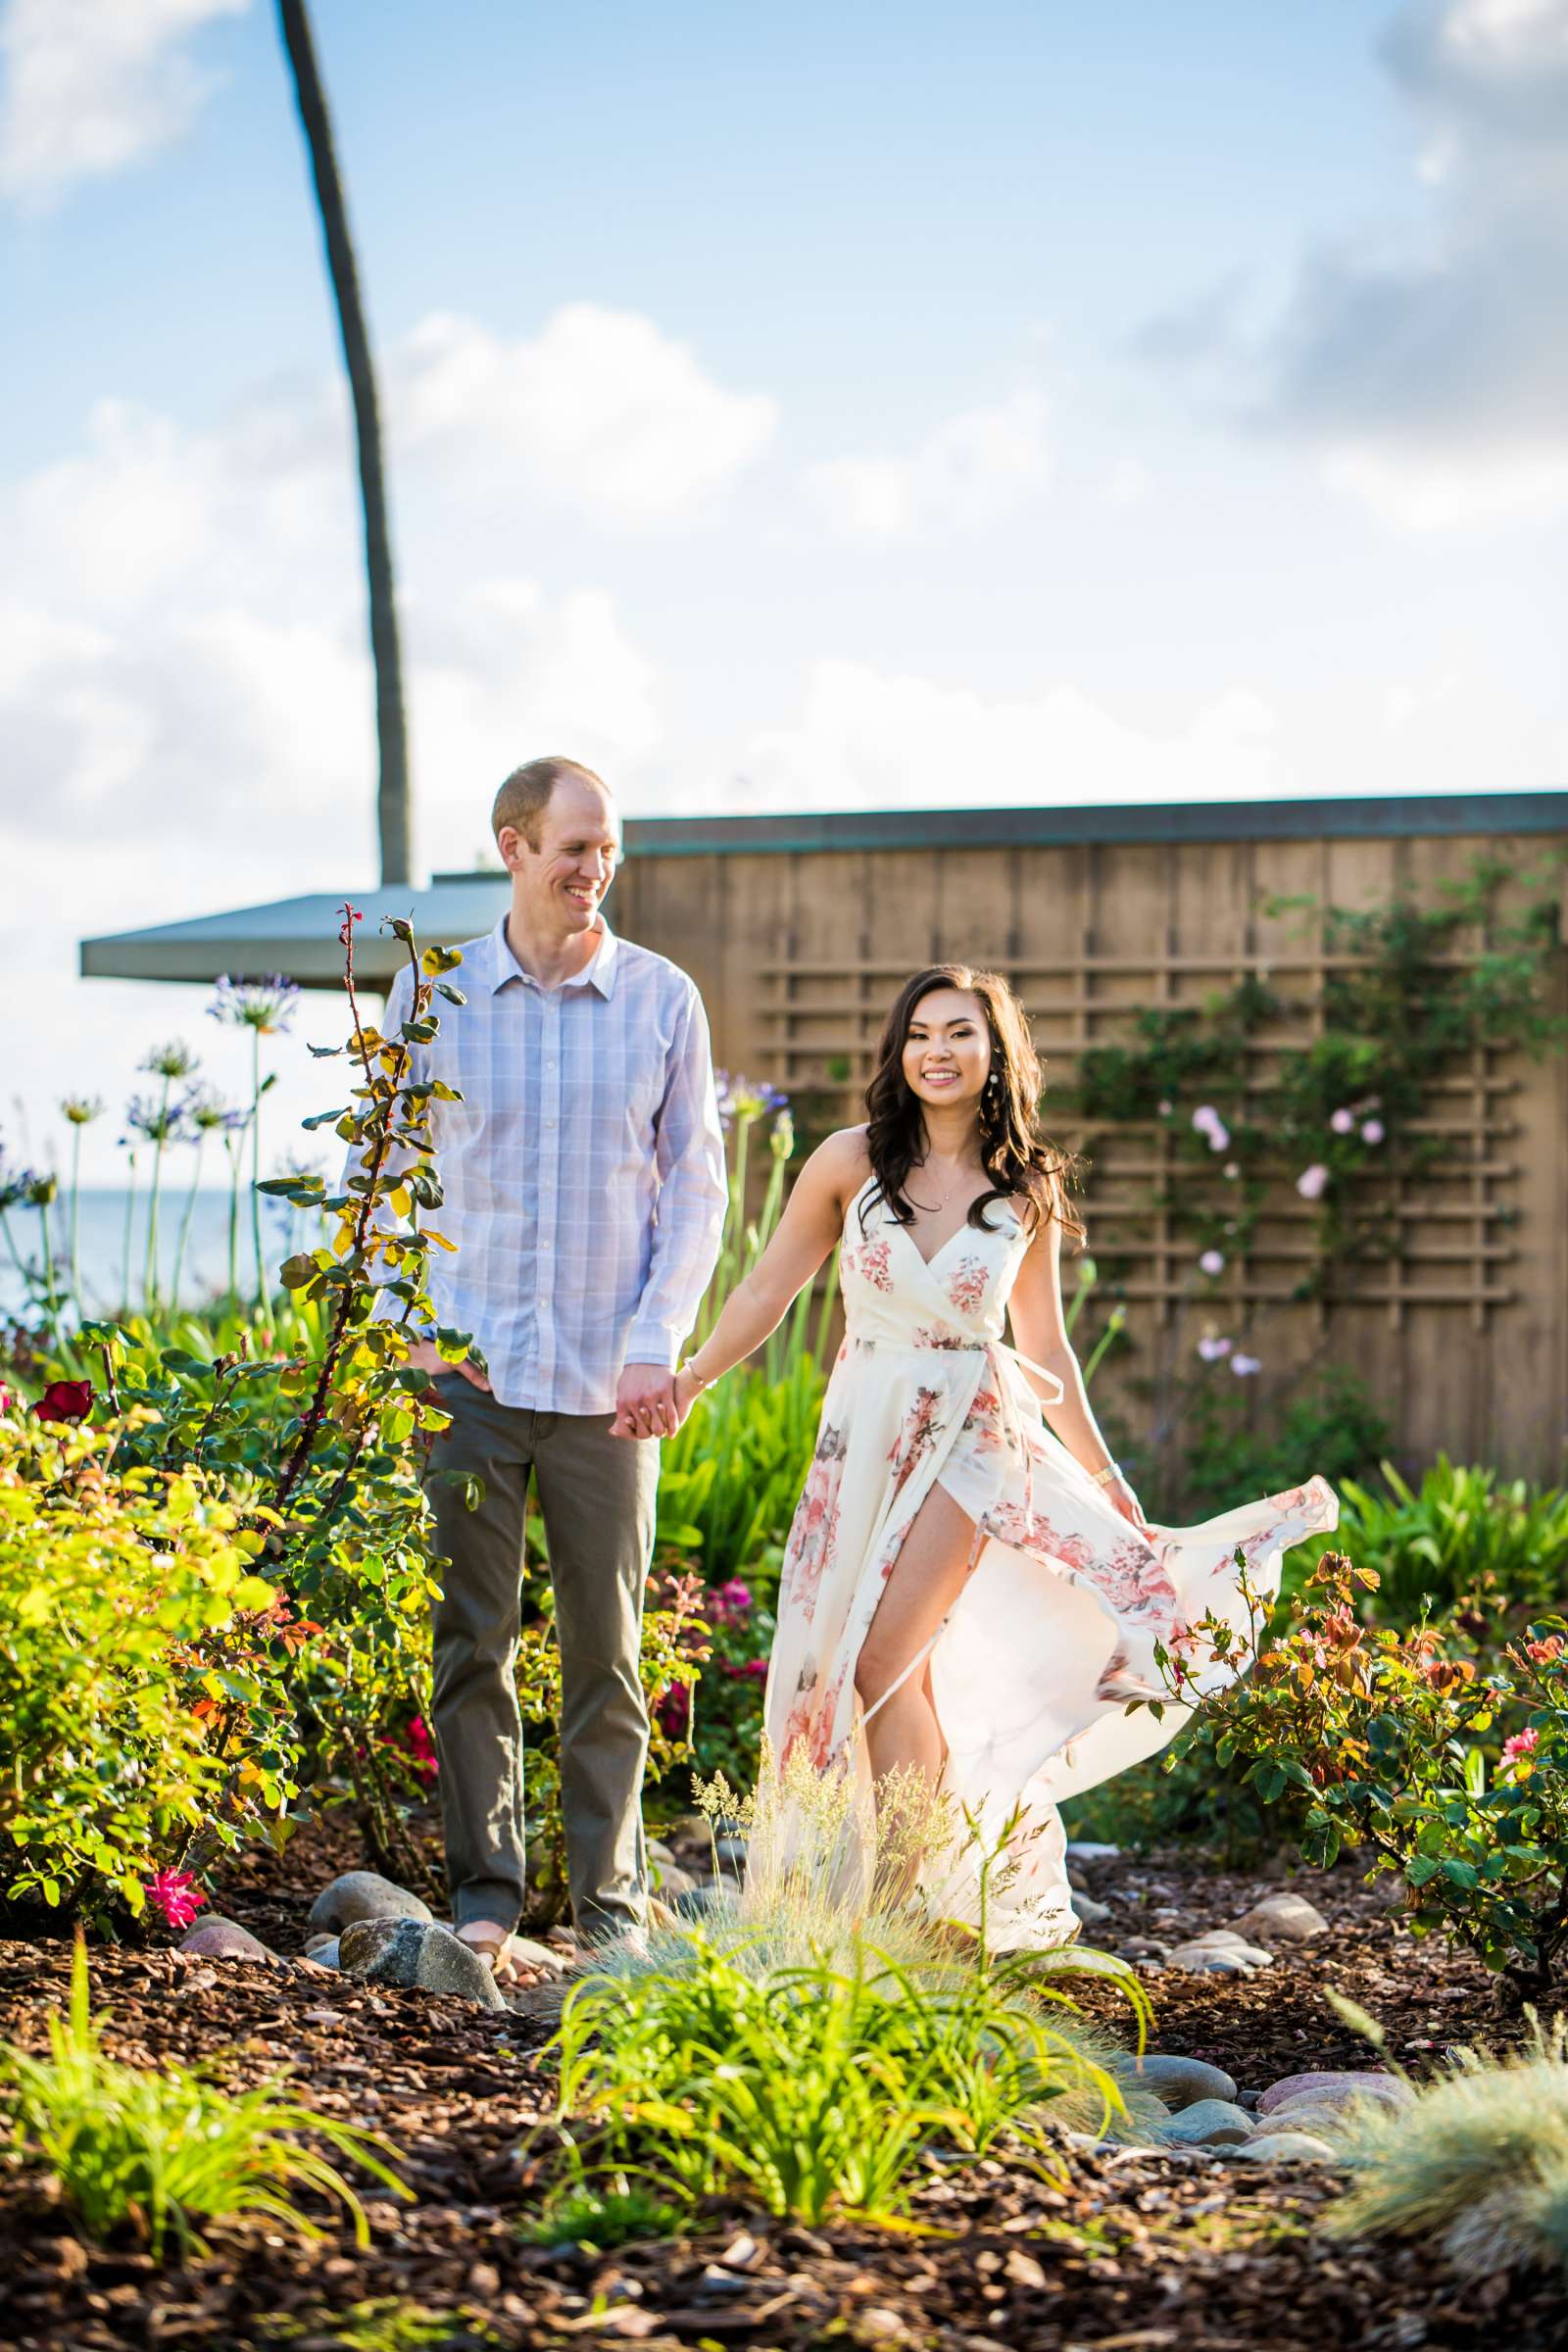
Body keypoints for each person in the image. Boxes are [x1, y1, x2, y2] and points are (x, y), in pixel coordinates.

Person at [666, 963, 1336, 1945]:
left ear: (995, 1054)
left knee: (878, 1661)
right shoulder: (849, 1161)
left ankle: (890, 1913)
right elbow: (767, 1291)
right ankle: (916, 1901)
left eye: (960, 1034)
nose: (938, 1050)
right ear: (899, 1053)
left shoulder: (1027, 1179)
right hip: (860, 1440)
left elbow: (1046, 1343)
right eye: (920, 1034)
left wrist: (1110, 1485)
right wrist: (693, 1379)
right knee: (864, 1672)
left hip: (968, 1438)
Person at [386, 756, 726, 1980]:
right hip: (467, 1381)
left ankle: (611, 1910)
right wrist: (408, 1327)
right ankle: (485, 1893)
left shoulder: (660, 1000)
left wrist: (656, 1349)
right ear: (512, 846)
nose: (594, 871)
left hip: (605, 1390)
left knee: (608, 1655)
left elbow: (696, 1189)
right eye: (573, 848)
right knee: (470, 1641)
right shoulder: (439, 999)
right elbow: (386, 1178)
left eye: (608, 852)